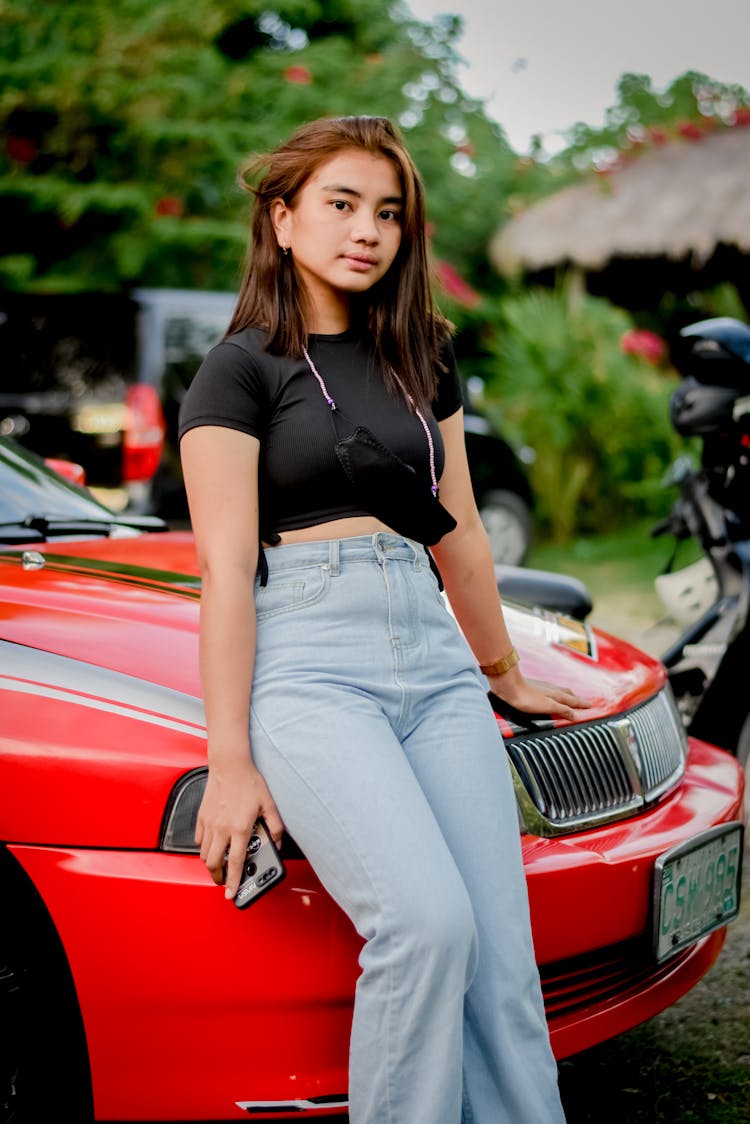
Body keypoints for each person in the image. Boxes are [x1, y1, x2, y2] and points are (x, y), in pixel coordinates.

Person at [179, 115, 589, 1124]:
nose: (368, 230)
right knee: (426, 925)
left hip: (435, 662)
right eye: (342, 204)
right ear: (282, 219)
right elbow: (226, 571)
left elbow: (459, 537)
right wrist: (229, 758)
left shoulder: (423, 351)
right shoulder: (239, 370)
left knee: (500, 954)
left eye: (390, 212)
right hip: (315, 666)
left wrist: (499, 667)